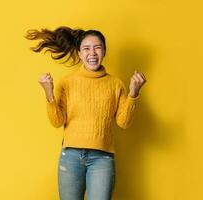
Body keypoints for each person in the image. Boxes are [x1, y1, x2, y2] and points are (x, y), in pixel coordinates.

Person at [25, 26, 146, 200]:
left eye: (97, 47)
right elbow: (57, 121)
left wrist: (133, 93)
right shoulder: (67, 82)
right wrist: (49, 93)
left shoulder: (115, 84)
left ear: (104, 51)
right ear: (80, 54)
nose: (92, 53)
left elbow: (123, 122)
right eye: (86, 48)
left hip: (102, 159)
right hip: (71, 157)